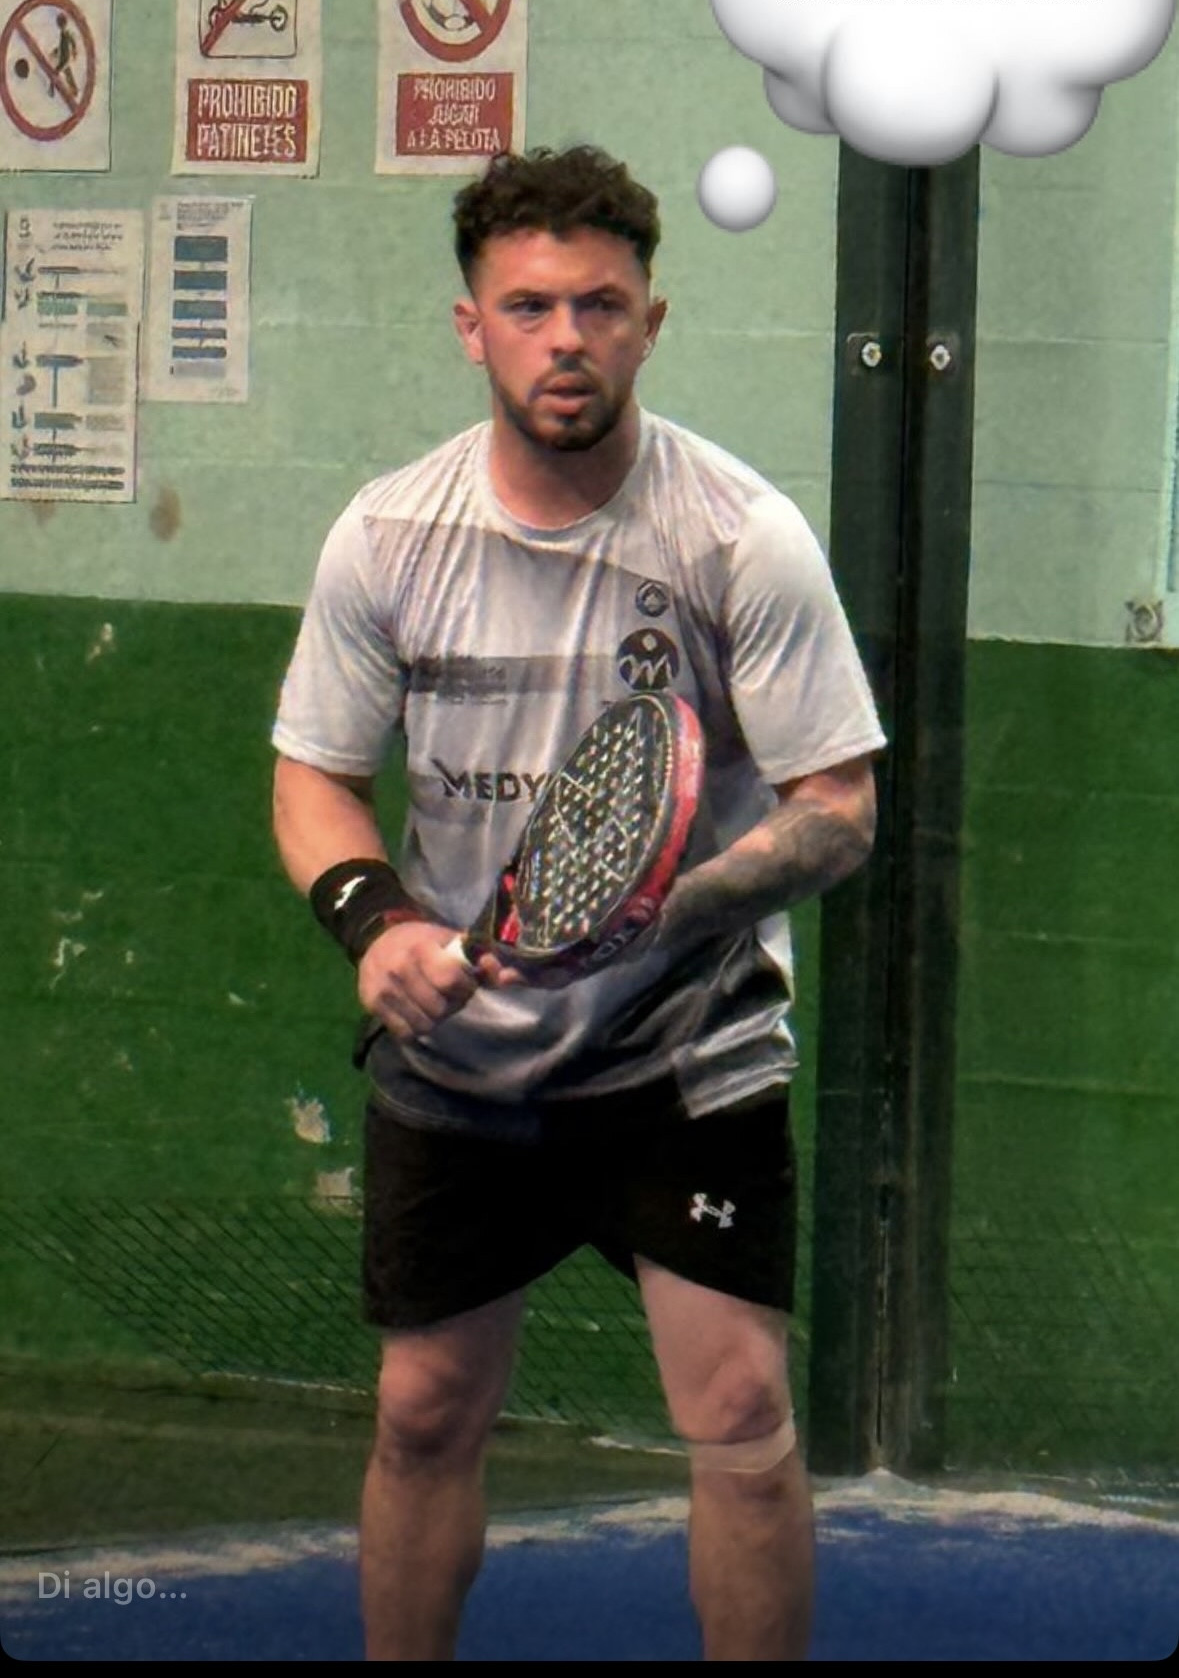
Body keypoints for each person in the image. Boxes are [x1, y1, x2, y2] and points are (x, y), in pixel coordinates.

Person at [271, 144, 883, 1661]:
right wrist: (376, 924)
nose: (567, 339)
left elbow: (839, 809)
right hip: (459, 1066)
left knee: (740, 1409)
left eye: (601, 306)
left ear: (650, 324)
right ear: (470, 327)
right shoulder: (386, 538)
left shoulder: (739, 536)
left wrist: (659, 912)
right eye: (530, 307)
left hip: (685, 1054)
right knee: (424, 1409)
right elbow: (315, 778)